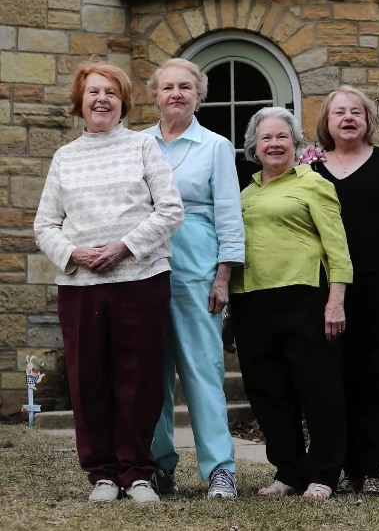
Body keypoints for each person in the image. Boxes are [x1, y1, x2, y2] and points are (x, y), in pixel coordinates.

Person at [33, 61, 183, 504]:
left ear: (123, 102)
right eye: (94, 92)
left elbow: (170, 209)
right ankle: (102, 474)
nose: (102, 100)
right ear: (80, 102)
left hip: (140, 278)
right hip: (80, 286)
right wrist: (73, 253)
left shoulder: (142, 147)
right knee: (89, 379)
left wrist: (124, 247)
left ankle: (137, 473)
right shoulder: (65, 157)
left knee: (139, 379)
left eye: (111, 93)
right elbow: (45, 225)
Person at [229, 105, 352, 499]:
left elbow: (337, 247)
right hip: (251, 301)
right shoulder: (245, 192)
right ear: (255, 146)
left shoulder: (313, 183)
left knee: (318, 390)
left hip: (304, 297)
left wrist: (336, 301)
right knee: (268, 393)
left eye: (282, 136)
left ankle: (323, 474)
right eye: (266, 137)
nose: (274, 143)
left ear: (296, 144)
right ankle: (288, 472)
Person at [311, 87, 379, 495]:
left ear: (368, 120)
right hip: (324, 291)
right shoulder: (311, 169)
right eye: (338, 112)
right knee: (331, 379)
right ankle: (335, 466)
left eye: (356, 112)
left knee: (373, 379)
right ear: (326, 121)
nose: (347, 118)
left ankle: (370, 469)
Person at [145, 57, 244, 499]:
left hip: (196, 265)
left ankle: (219, 469)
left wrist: (223, 275)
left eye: (185, 87)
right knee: (151, 369)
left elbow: (228, 212)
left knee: (203, 369)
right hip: (142, 267)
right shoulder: (136, 143)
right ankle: (158, 464)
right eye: (167, 87)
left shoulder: (214, 145)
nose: (176, 95)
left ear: (199, 94)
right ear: (155, 95)